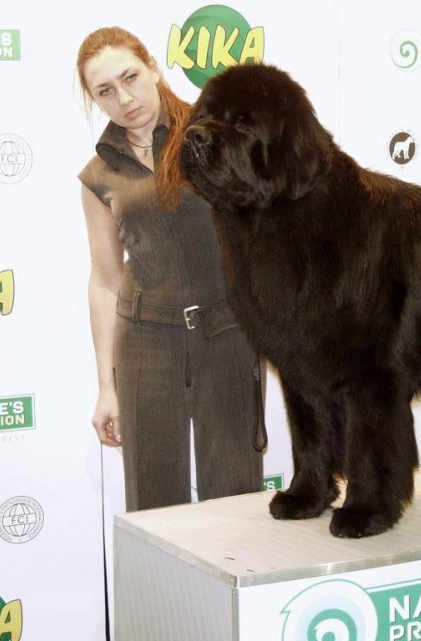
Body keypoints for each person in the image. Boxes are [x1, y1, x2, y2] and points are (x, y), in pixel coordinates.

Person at [76, 26, 265, 511]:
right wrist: (106, 386)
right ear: (96, 101)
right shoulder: (99, 174)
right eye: (105, 91)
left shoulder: (215, 136)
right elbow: (104, 280)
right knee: (152, 500)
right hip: (145, 342)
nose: (124, 98)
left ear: (153, 67)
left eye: (130, 77)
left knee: (235, 497)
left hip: (228, 333)